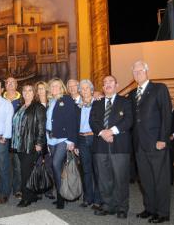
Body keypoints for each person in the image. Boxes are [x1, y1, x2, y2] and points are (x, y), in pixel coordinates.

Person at [130, 60, 172, 223]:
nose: (137, 73)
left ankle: (162, 213)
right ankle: (150, 208)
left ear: (147, 71)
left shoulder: (159, 88)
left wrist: (163, 139)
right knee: (145, 179)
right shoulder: (133, 94)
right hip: (139, 145)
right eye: (135, 72)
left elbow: (166, 115)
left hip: (156, 143)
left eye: (140, 70)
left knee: (160, 179)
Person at [89, 76, 133, 219]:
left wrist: (111, 131)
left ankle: (122, 207)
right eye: (105, 83)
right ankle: (107, 205)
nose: (107, 84)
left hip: (120, 146)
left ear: (116, 84)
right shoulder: (97, 103)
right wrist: (102, 133)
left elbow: (129, 120)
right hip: (100, 146)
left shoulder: (125, 101)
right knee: (103, 178)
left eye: (110, 82)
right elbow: (92, 121)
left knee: (120, 178)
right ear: (102, 87)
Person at [12, 84, 46, 207]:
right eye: (24, 90)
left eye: (30, 90)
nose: (27, 92)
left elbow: (41, 126)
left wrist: (39, 143)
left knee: (25, 172)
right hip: (19, 145)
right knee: (28, 171)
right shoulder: (20, 107)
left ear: (34, 93)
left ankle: (26, 197)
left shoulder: (38, 107)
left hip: (30, 145)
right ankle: (32, 195)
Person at [46, 78, 77, 209]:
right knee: (56, 168)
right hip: (51, 138)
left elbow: (72, 120)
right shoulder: (51, 102)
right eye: (52, 86)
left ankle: (60, 197)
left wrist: (71, 140)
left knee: (55, 164)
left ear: (61, 87)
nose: (54, 88)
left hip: (63, 139)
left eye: (57, 86)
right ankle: (61, 193)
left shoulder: (67, 100)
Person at [75, 79, 102, 210]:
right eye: (82, 88)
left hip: (95, 138)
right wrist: (75, 145)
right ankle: (87, 198)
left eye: (87, 88)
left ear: (92, 90)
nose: (84, 90)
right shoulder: (77, 105)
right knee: (86, 171)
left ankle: (98, 200)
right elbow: (74, 126)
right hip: (81, 140)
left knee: (97, 170)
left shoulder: (98, 102)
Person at [34, 81, 55, 200]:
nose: (41, 91)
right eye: (39, 89)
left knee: (49, 165)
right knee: (37, 164)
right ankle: (38, 189)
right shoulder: (35, 104)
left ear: (46, 90)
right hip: (38, 138)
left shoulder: (51, 103)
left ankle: (49, 189)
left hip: (50, 138)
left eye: (43, 88)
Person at [4, 76, 22, 199]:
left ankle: (18, 189)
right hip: (3, 137)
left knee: (18, 165)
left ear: (16, 85)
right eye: (8, 82)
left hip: (18, 138)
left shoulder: (23, 100)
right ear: (5, 85)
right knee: (4, 164)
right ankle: (5, 189)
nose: (10, 84)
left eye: (12, 82)